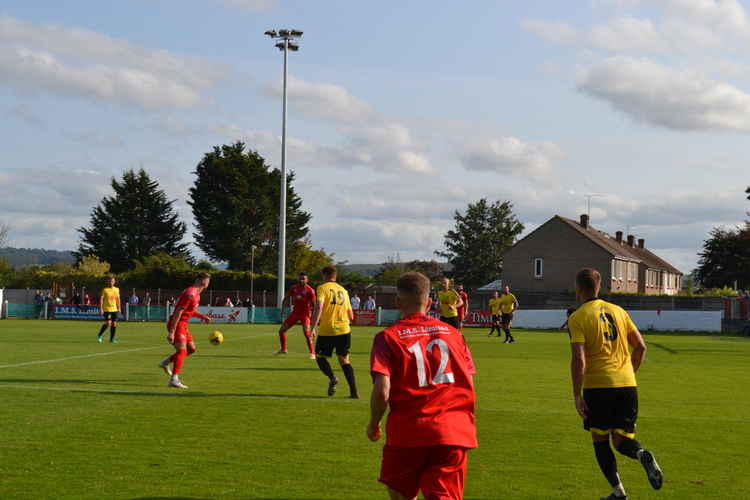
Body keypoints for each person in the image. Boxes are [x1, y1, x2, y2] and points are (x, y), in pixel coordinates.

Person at [368, 272, 477, 500]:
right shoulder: (455, 335)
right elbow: (469, 381)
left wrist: (374, 423)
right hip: (452, 432)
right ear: (429, 302)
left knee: (400, 495)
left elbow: (382, 391)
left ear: (398, 302)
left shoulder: (387, 337)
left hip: (408, 431)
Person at [569, 268, 662, 500]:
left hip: (598, 386)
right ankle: (641, 454)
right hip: (627, 385)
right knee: (622, 441)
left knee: (600, 440)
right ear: (599, 287)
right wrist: (629, 372)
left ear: (578, 288)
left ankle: (619, 493)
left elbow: (578, 359)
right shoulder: (619, 311)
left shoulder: (578, 317)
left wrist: (577, 395)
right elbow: (641, 347)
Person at [311, 265, 358, 398]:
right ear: (335, 276)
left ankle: (332, 377)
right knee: (344, 360)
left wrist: (313, 327)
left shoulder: (322, 288)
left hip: (327, 330)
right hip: (344, 329)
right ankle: (354, 393)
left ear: (324, 275)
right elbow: (351, 316)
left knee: (320, 357)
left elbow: (319, 307)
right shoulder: (344, 291)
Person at [160, 273, 212, 389]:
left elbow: (190, 311)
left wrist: (203, 317)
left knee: (191, 349)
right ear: (202, 281)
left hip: (183, 325)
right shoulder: (190, 293)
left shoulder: (197, 294)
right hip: (177, 324)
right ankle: (174, 380)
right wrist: (172, 331)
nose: (208, 283)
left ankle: (166, 362)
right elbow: (178, 311)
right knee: (182, 351)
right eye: (207, 280)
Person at [277, 272, 317, 359]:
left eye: (303, 279)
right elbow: (286, 298)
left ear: (307, 280)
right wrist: (283, 309)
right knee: (281, 331)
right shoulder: (294, 288)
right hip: (295, 314)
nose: (301, 280)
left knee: (307, 333)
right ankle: (283, 350)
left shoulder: (310, 290)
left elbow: (315, 306)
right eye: (300, 278)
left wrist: (313, 322)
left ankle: (312, 353)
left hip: (305, 315)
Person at [97, 276, 121, 344]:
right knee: (108, 323)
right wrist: (101, 308)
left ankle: (112, 340)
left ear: (114, 282)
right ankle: (100, 335)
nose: (111, 282)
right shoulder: (105, 290)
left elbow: (118, 299)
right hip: (106, 309)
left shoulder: (117, 289)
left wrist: (119, 308)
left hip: (114, 309)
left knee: (114, 324)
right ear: (108, 282)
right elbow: (101, 299)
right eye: (110, 281)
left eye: (112, 281)